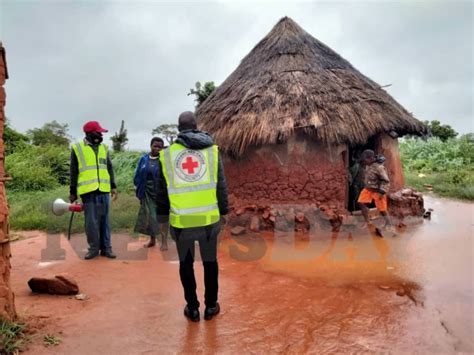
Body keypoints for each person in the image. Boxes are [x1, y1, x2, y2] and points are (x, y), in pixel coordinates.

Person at [156, 111, 229, 322]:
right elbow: (221, 185)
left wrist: (162, 218)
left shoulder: (167, 155)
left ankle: (193, 308)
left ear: (178, 129)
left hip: (182, 223)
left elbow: (162, 191)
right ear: (196, 126)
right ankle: (211, 306)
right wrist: (224, 211)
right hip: (208, 221)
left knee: (186, 264)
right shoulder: (212, 151)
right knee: (210, 262)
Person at [70, 121, 118, 259]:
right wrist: (72, 191)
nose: (101, 134)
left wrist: (113, 186)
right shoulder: (77, 148)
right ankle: (93, 249)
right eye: (98, 132)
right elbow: (73, 171)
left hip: (104, 190)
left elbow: (109, 167)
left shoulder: (104, 147)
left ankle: (106, 249)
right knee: (91, 222)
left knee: (105, 221)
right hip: (88, 191)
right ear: (90, 133)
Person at [133, 137, 168, 250]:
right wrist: (137, 188)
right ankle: (152, 240)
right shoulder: (144, 159)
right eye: (155, 146)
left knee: (162, 217)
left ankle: (164, 242)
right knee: (148, 216)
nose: (157, 148)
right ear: (150, 146)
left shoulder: (164, 160)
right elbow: (138, 174)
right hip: (146, 191)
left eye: (160, 147)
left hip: (160, 192)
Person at [357, 149, 392, 234]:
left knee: (382, 209)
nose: (363, 161)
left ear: (371, 158)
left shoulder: (379, 167)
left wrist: (381, 192)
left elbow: (386, 181)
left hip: (378, 190)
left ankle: (388, 224)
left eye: (365, 159)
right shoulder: (368, 165)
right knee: (361, 203)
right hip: (368, 189)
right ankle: (368, 221)